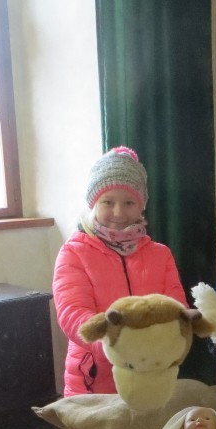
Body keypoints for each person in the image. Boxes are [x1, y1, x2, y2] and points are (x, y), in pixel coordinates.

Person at [53, 146, 187, 397]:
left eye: (129, 202)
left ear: (141, 206)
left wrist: (163, 345)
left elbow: (174, 308)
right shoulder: (74, 252)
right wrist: (119, 347)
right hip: (95, 382)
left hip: (152, 374)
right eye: (108, 202)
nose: (118, 212)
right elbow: (73, 314)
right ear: (94, 203)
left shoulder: (160, 254)